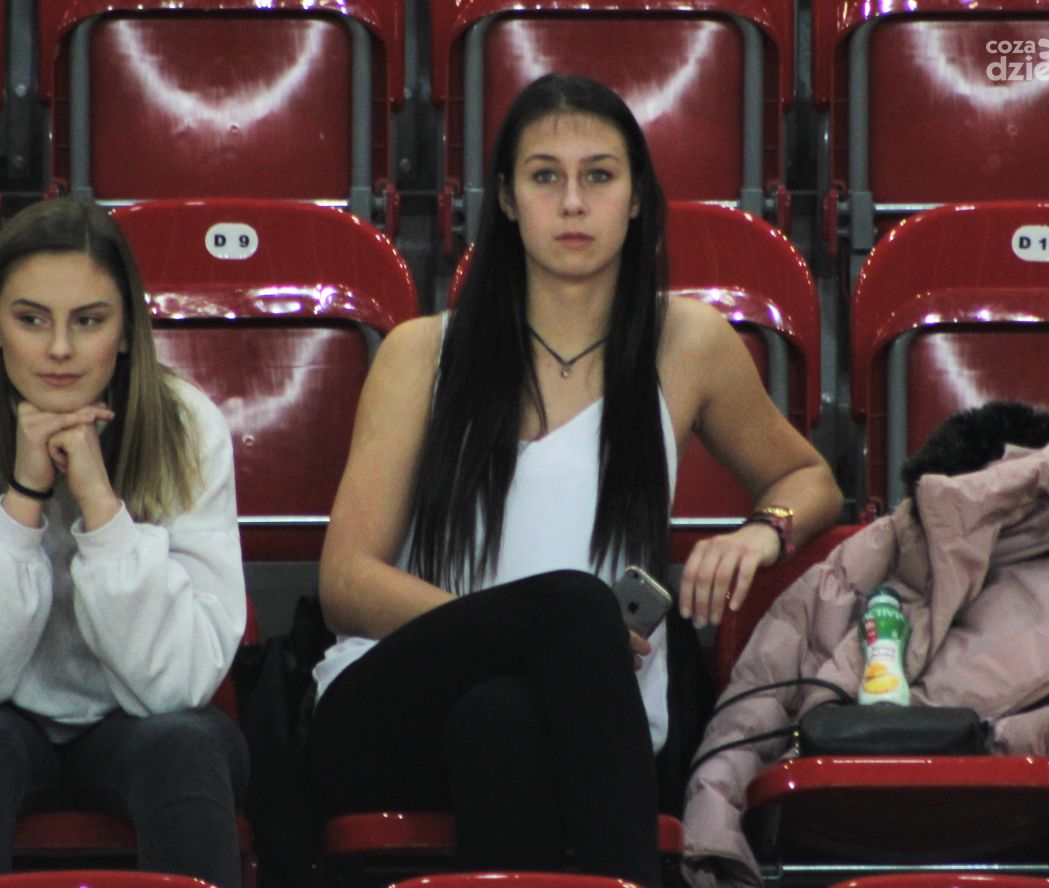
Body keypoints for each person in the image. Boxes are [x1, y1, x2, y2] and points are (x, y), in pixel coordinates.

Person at [306, 73, 843, 886]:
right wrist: (535, 632)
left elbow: (810, 476)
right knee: (571, 609)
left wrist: (761, 532)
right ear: (507, 200)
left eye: (599, 175)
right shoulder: (422, 352)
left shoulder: (686, 343)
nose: (572, 202)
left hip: (574, 717)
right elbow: (346, 583)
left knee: (504, 717)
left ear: (636, 198)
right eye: (544, 176)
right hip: (391, 704)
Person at [0, 198, 249, 888]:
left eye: (89, 321)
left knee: (186, 747)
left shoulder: (188, 425)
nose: (60, 350)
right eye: (32, 319)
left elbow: (181, 683)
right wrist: (23, 498)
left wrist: (101, 508)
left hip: (137, 717)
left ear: (127, 332)